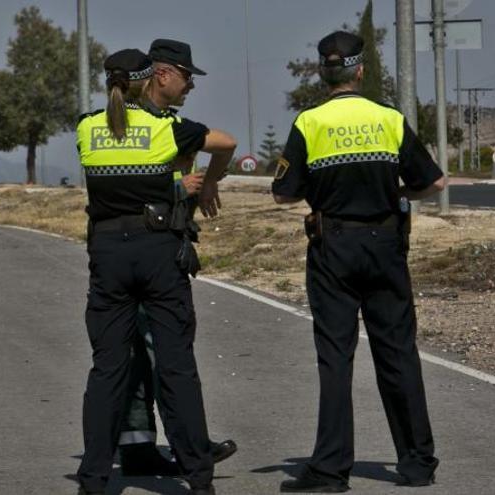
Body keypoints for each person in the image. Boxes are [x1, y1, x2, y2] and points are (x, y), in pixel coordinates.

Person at [272, 31, 444, 493]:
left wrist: (320, 192)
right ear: (361, 70)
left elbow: (282, 195)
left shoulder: (310, 123)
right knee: (397, 352)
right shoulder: (388, 118)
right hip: (386, 244)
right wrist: (398, 193)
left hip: (334, 247)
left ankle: (330, 470)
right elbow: (435, 183)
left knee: (336, 357)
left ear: (323, 72)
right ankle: (417, 463)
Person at [76, 48, 236, 495]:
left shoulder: (86, 127)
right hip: (157, 250)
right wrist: (208, 184)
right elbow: (224, 143)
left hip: (107, 252)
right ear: (150, 81)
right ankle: (199, 478)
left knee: (107, 369)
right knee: (176, 366)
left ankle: (92, 480)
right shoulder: (168, 128)